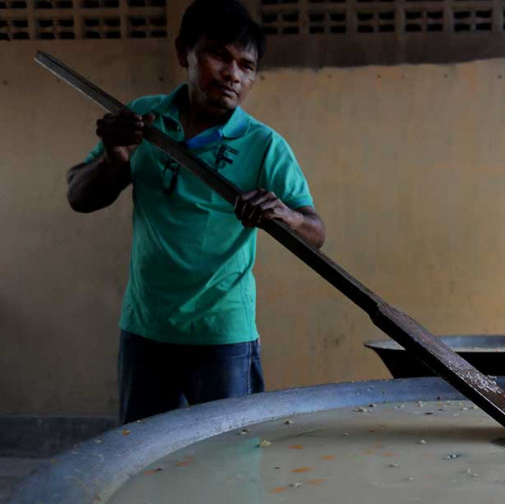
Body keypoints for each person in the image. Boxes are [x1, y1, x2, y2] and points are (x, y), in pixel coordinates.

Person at [67, 0, 325, 425]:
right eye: (218, 56)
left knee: (230, 455)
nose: (232, 74)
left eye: (246, 66)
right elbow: (79, 196)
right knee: (145, 453)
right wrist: (114, 159)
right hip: (146, 329)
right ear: (183, 51)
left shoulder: (264, 145)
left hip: (224, 334)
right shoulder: (143, 120)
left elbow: (316, 233)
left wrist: (286, 215)